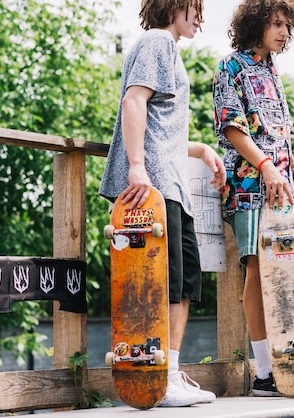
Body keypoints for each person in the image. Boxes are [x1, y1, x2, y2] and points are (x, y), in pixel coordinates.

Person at [99, 0, 225, 407]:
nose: (200, 18)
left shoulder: (166, 47)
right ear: (174, 6)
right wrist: (137, 168)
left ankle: (167, 374)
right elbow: (134, 101)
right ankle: (158, 379)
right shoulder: (157, 41)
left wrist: (202, 149)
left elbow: (162, 127)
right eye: (195, 8)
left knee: (184, 283)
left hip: (172, 185)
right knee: (163, 284)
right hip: (153, 188)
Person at [213, 0, 294, 397]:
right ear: (255, 24)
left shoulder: (272, 70)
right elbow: (231, 127)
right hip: (249, 186)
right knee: (259, 274)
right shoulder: (232, 66)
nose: (283, 32)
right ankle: (264, 374)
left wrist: (291, 165)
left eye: (287, 25)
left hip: (280, 187)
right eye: (276, 24)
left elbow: (269, 133)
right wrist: (267, 167)